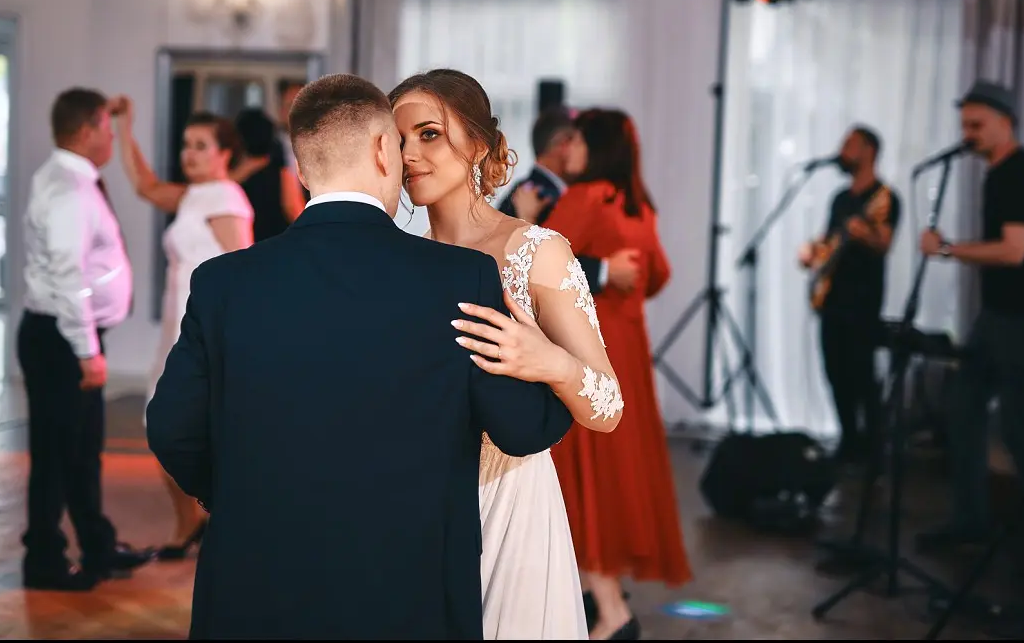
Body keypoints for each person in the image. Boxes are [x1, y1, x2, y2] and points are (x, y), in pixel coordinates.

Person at [146, 73, 573, 640]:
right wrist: (552, 360)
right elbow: (521, 428)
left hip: (254, 590)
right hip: (406, 592)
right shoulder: (459, 278)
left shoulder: (223, 283)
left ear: (301, 169)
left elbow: (170, 426)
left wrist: (241, 495)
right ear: (381, 149)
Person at [390, 69, 624, 641]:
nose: (411, 154)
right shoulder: (396, 261)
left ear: (478, 144)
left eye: (428, 134)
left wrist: (549, 361)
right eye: (398, 140)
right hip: (415, 501)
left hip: (508, 500)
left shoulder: (535, 253)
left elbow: (609, 406)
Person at [544, 108, 689, 640]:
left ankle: (610, 611)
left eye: (576, 140)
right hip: (628, 350)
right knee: (615, 472)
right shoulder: (637, 203)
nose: (567, 150)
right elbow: (659, 275)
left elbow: (535, 261)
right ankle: (601, 595)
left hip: (589, 347)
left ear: (597, 145)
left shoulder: (587, 196)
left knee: (586, 477)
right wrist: (615, 276)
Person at [17, 88, 153, 591]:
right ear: (86, 131)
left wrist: (121, 110)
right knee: (56, 453)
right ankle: (44, 561)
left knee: (82, 450)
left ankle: (96, 544)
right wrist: (86, 351)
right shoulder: (69, 190)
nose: (111, 136)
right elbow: (68, 275)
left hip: (68, 337)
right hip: (61, 340)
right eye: (107, 127)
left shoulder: (70, 178)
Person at [916, 80, 1024, 555]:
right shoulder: (999, 175)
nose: (967, 134)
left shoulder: (1020, 174)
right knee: (963, 410)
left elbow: (1015, 251)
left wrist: (949, 249)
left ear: (1006, 122)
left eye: (976, 125)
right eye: (964, 126)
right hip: (998, 316)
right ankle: (971, 520)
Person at [115, 104, 253, 559]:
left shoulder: (226, 198)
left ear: (224, 154)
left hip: (206, 337)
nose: (189, 154)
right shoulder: (196, 195)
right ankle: (190, 521)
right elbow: (145, 186)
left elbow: (243, 272)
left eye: (200, 146)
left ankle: (216, 524)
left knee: (192, 430)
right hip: (176, 333)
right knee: (163, 427)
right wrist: (124, 127)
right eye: (186, 145)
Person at [798, 126, 901, 468]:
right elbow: (828, 241)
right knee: (835, 371)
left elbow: (884, 244)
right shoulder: (841, 199)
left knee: (861, 373)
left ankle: (873, 448)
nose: (842, 151)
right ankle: (849, 440)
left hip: (863, 300)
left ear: (868, 150)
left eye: (849, 145)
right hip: (833, 299)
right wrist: (812, 253)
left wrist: (864, 233)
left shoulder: (886, 197)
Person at [498, 106, 643, 297]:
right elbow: (534, 264)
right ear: (563, 145)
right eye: (578, 141)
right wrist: (604, 270)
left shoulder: (550, 192)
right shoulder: (535, 195)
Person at [232, 107, 306, 242]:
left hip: (251, 245)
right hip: (279, 243)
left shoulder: (232, 178)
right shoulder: (281, 171)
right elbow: (293, 208)